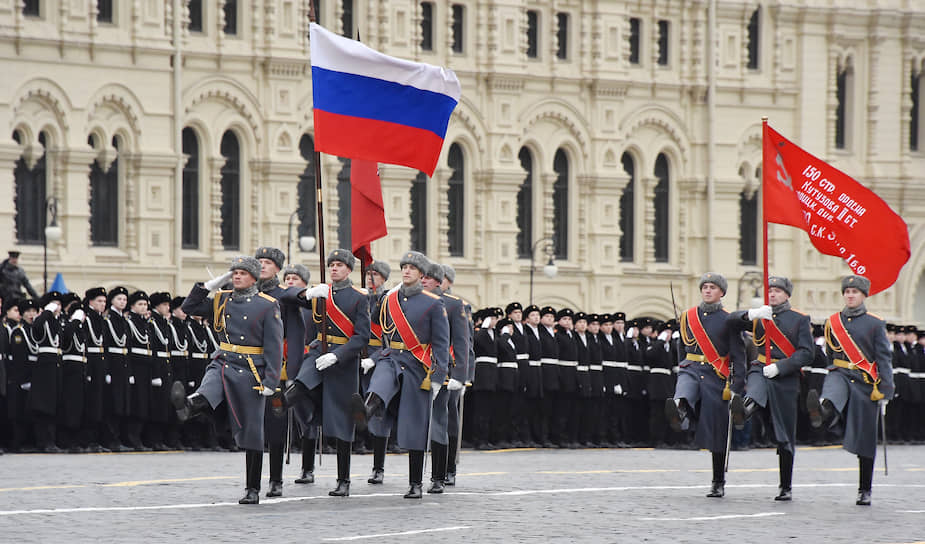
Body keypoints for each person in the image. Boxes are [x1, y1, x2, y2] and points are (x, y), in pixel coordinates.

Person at [172, 256, 284, 505]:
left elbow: (274, 347)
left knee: (253, 432)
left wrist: (271, 380)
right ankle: (188, 406)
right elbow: (188, 308)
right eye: (234, 272)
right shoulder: (222, 299)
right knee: (208, 388)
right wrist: (210, 286)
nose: (236, 276)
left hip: (251, 369)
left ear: (254, 278)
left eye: (242, 273)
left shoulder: (267, 305)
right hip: (224, 360)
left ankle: (252, 488)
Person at [356, 250, 450, 499]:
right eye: (404, 267)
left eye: (412, 268)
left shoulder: (433, 303)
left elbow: (441, 344)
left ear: (421, 274)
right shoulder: (389, 298)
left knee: (415, 425)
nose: (406, 271)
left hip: (417, 364)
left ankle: (415, 483)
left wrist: (439, 376)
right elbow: (376, 328)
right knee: (381, 380)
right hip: (391, 357)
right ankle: (365, 409)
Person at [283, 249, 367, 498]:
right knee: (301, 383)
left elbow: (361, 336)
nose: (334, 268)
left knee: (342, 422)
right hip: (319, 350)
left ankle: (344, 480)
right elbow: (283, 294)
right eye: (331, 264)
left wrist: (339, 355)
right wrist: (307, 293)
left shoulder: (359, 298)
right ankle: (283, 404)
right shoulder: (321, 293)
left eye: (339, 265)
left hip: (342, 359)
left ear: (349, 270)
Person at [806, 275, 893, 506]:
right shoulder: (833, 321)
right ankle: (822, 413)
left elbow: (884, 358)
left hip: (866, 381)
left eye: (855, 292)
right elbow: (831, 356)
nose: (850, 296)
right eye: (847, 292)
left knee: (866, 438)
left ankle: (865, 489)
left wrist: (885, 388)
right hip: (840, 373)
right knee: (832, 393)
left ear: (864, 295)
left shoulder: (875, 323)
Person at [728, 276, 813, 501]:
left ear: (787, 295)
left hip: (785, 378)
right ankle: (743, 411)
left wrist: (781, 367)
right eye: (770, 290)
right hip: (759, 367)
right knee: (755, 387)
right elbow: (731, 321)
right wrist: (751, 314)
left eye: (777, 291)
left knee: (784, 437)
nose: (772, 294)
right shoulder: (761, 315)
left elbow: (807, 352)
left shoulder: (799, 320)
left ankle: (785, 486)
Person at [665, 272, 746, 498]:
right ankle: (679, 411)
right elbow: (683, 346)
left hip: (715, 376)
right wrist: (681, 365)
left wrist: (737, 387)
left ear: (721, 292)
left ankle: (718, 481)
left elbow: (739, 356)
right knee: (684, 390)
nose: (707, 290)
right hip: (691, 368)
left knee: (718, 430)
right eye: (705, 287)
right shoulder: (688, 317)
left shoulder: (729, 320)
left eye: (712, 287)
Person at [31, 291, 64, 453]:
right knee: (44, 405)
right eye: (54, 303)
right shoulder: (43, 320)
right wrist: (47, 311)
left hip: (56, 364)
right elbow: (36, 326)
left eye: (58, 303)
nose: (57, 306)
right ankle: (43, 441)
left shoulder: (58, 322)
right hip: (44, 366)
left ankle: (51, 440)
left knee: (54, 404)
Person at [81, 287, 110, 452]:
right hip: (90, 362)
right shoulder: (87, 318)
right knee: (90, 403)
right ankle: (88, 439)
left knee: (99, 403)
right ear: (90, 301)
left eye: (104, 301)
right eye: (99, 301)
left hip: (99, 362)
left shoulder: (100, 319)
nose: (102, 304)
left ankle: (96, 439)